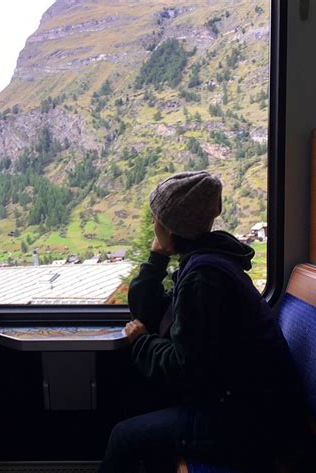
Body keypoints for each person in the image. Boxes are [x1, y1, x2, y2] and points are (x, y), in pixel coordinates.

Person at [98, 171, 303, 473]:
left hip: (248, 420)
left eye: (157, 217)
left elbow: (186, 368)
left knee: (123, 436)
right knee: (139, 402)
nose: (153, 224)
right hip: (234, 402)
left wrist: (142, 342)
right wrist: (156, 261)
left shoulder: (204, 276)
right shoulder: (202, 262)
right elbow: (152, 313)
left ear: (171, 225)